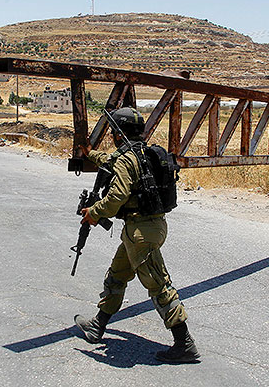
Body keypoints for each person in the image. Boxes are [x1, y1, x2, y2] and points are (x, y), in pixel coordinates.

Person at [74, 107, 199, 364]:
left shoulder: (126, 158)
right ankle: (98, 325)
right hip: (150, 227)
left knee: (159, 285)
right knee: (118, 274)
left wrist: (93, 213)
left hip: (140, 233)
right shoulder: (142, 153)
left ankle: (184, 344)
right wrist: (91, 154)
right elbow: (112, 161)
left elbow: (116, 197)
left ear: (119, 134)